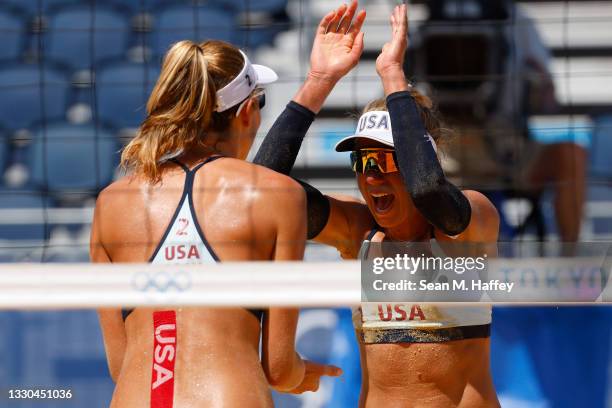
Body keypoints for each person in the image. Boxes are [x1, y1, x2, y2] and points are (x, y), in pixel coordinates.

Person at [90, 2, 366, 405]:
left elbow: (122, 364)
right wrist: (300, 374)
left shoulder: (111, 203)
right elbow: (278, 368)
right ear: (247, 112)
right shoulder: (277, 196)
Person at [254, 4, 500, 407]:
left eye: (385, 160)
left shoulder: (472, 222)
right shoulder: (358, 232)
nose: (371, 176)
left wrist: (391, 76)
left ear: (424, 159)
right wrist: (320, 80)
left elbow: (428, 191)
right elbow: (263, 190)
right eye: (362, 161)